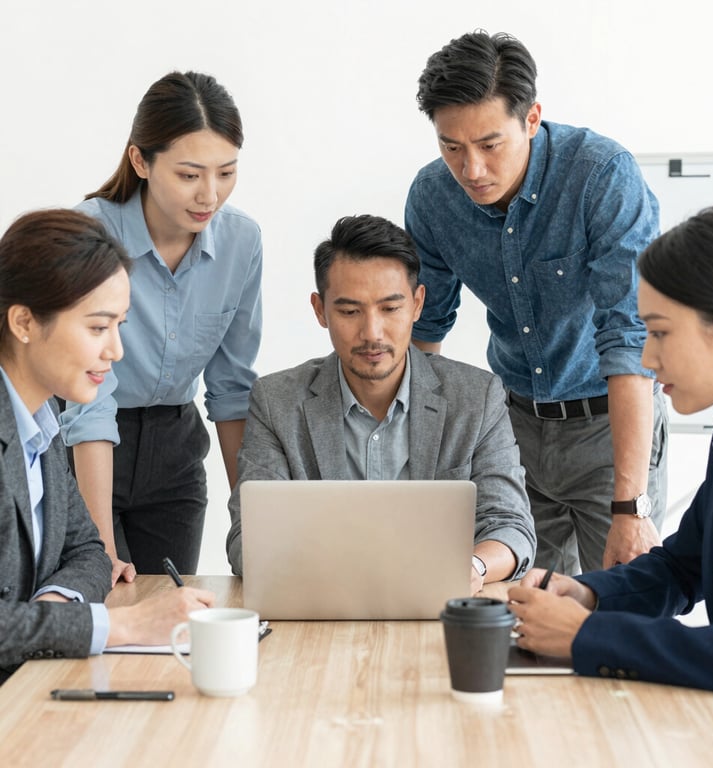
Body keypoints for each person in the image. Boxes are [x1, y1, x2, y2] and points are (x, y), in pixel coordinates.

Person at [405, 31, 668, 575]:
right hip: (513, 427)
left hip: (609, 427)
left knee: (618, 615)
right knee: (524, 620)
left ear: (530, 119)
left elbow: (629, 337)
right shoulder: (432, 197)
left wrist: (630, 504)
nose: (471, 169)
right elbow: (425, 330)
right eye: (451, 147)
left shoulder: (601, 176)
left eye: (488, 144)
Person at [507, 205, 713, 746]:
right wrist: (585, 595)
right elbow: (680, 566)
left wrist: (586, 635)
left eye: (660, 333)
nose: (646, 358)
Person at [226, 214, 535, 592]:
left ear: (418, 304)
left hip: (440, 608)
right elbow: (247, 542)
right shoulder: (277, 401)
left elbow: (511, 527)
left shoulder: (476, 396)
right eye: (350, 311)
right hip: (321, 608)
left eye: (390, 309)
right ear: (320, 310)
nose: (372, 333)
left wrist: (472, 567)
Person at [60, 71, 263, 583]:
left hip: (176, 453)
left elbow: (232, 389)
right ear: (140, 161)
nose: (209, 195)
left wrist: (252, 526)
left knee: (165, 617)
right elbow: (91, 400)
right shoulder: (92, 232)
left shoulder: (241, 242)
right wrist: (100, 547)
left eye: (226, 172)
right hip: (85, 447)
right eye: (189, 174)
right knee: (101, 599)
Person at [0, 209, 214, 682]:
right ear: (23, 322)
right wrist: (121, 623)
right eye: (98, 327)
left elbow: (91, 552)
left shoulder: (42, 419)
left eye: (120, 325)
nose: (115, 351)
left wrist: (55, 612)